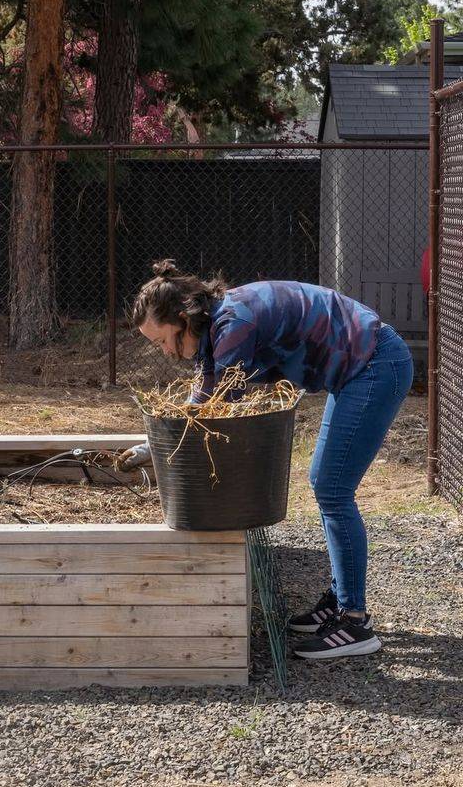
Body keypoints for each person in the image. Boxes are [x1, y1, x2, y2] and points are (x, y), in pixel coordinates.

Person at [118, 260, 413, 660]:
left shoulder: (233, 325)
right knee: (324, 483)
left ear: (184, 319)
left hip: (375, 364)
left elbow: (218, 406)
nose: (167, 352)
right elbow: (202, 396)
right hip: (357, 369)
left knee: (333, 488)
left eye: (163, 340)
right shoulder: (217, 324)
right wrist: (152, 444)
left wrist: (163, 448)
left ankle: (354, 620)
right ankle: (341, 597)